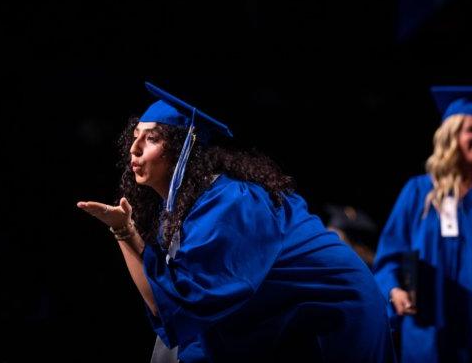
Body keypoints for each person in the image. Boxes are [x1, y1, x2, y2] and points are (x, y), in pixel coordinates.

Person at [77, 82, 395, 362]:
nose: (134, 148)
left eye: (151, 138)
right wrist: (124, 230)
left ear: (181, 148)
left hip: (333, 320)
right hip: (278, 321)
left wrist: (124, 231)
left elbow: (180, 307)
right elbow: (179, 313)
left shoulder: (231, 205)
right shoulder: (182, 212)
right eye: (135, 137)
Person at [373, 85, 472, 363]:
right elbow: (389, 257)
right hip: (427, 334)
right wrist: (393, 289)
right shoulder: (418, 193)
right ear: (451, 135)